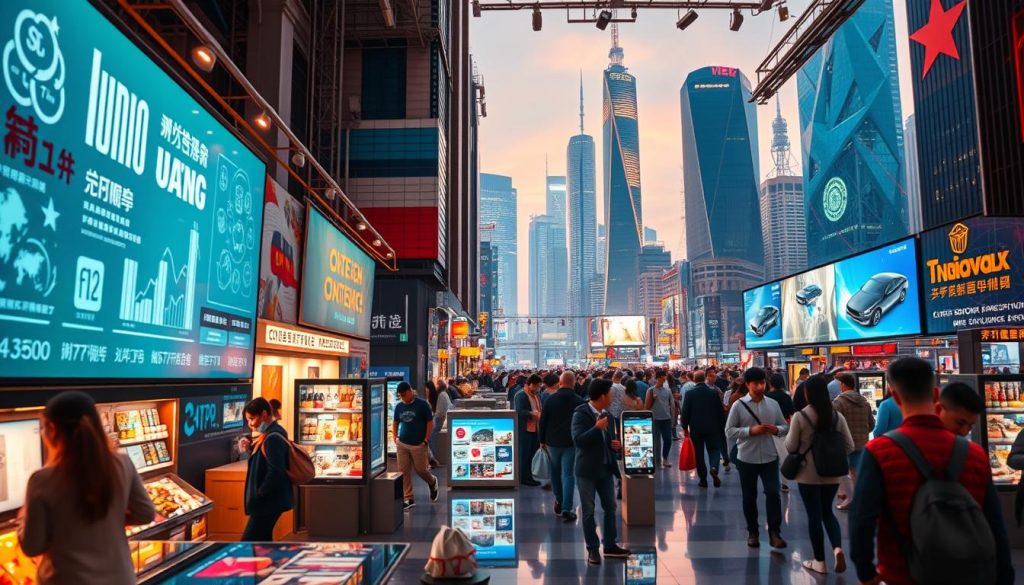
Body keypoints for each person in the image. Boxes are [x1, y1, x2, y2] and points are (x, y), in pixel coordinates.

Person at [850, 357, 1014, 585]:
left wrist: (865, 573)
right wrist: (1004, 576)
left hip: (902, 574)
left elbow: (862, 520)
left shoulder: (880, 452)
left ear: (895, 397)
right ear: (936, 395)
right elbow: (995, 525)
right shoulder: (975, 455)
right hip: (968, 574)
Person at [18, 392, 156, 584]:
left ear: (52, 429)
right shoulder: (122, 464)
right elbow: (146, 514)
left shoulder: (42, 480)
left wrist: (23, 520)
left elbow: (32, 546)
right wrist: (110, 517)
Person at [786, 375, 854, 574]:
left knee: (813, 516)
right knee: (827, 513)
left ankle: (819, 561)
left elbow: (790, 446)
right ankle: (837, 548)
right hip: (832, 475)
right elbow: (849, 446)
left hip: (808, 475)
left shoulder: (801, 416)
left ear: (808, 394)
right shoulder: (836, 416)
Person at [725, 367, 790, 550]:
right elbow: (729, 431)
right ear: (748, 384)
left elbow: (784, 426)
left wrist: (776, 430)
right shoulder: (739, 405)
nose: (760, 386)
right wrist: (750, 431)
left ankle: (775, 532)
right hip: (746, 457)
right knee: (749, 496)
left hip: (770, 456)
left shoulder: (773, 404)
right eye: (756, 383)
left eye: (763, 383)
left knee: (773, 492)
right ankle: (753, 531)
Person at [572, 379, 631, 565]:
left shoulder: (609, 415)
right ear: (603, 395)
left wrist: (613, 445)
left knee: (610, 507)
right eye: (611, 393)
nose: (613, 397)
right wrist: (596, 429)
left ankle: (610, 545)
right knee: (588, 511)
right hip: (587, 470)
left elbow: (607, 440)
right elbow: (579, 441)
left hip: (605, 468)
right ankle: (592, 549)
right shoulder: (580, 414)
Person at [242, 397, 294, 540]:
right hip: (270, 502)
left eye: (252, 418)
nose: (250, 424)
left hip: (268, 503)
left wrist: (260, 492)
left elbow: (276, 471)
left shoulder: (272, 438)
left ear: (264, 414)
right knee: (263, 540)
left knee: (249, 541)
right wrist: (249, 449)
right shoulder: (272, 433)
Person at [540, 371, 585, 522]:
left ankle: (558, 499)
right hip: (571, 442)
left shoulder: (550, 400)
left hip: (552, 442)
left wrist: (541, 440)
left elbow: (543, 421)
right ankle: (567, 508)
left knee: (555, 472)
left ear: (560, 382)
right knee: (568, 475)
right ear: (573, 383)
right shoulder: (579, 401)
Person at [831, 373, 874, 511]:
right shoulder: (864, 401)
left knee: (843, 473)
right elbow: (871, 424)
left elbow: (834, 424)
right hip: (862, 442)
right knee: (856, 472)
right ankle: (859, 498)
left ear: (843, 385)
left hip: (844, 443)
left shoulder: (838, 403)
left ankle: (849, 498)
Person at [393, 382, 439, 509]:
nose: (402, 397)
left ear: (410, 391)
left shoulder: (422, 405)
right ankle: (409, 498)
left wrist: (425, 440)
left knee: (421, 470)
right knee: (403, 471)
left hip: (418, 444)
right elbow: (395, 422)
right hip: (402, 444)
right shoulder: (399, 407)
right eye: (400, 396)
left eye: (403, 395)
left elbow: (430, 423)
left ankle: (432, 481)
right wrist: (395, 437)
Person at [681, 370, 725, 488]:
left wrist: (684, 427)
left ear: (694, 380)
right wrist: (722, 427)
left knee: (699, 454)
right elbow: (720, 412)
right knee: (715, 449)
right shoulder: (713, 393)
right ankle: (714, 467)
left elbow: (685, 412)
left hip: (696, 429)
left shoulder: (690, 394)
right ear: (705, 378)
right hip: (713, 427)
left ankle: (703, 480)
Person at [766, 373, 797, 494]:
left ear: (770, 383)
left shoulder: (767, 396)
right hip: (783, 430)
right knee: (783, 456)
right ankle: (784, 483)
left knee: (770, 457)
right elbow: (791, 413)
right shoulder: (786, 396)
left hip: (768, 429)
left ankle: (771, 482)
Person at [515, 374, 544, 487]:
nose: (537, 388)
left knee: (532, 454)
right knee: (524, 454)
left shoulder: (536, 395)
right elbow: (519, 411)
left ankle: (530, 476)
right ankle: (524, 477)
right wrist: (532, 414)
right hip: (525, 429)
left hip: (535, 428)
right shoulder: (521, 395)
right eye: (536, 386)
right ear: (529, 384)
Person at [644, 369, 675, 468]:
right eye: (662, 377)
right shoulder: (650, 390)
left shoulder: (668, 390)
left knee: (668, 439)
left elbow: (671, 404)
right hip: (655, 418)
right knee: (656, 441)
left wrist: (673, 418)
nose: (664, 379)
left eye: (665, 377)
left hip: (666, 418)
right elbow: (646, 406)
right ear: (657, 378)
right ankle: (657, 460)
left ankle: (665, 458)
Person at [427, 381, 452, 466]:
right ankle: (433, 458)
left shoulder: (441, 395)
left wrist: (436, 417)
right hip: (440, 418)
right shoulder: (443, 394)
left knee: (431, 438)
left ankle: (434, 458)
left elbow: (440, 412)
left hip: (438, 418)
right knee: (432, 438)